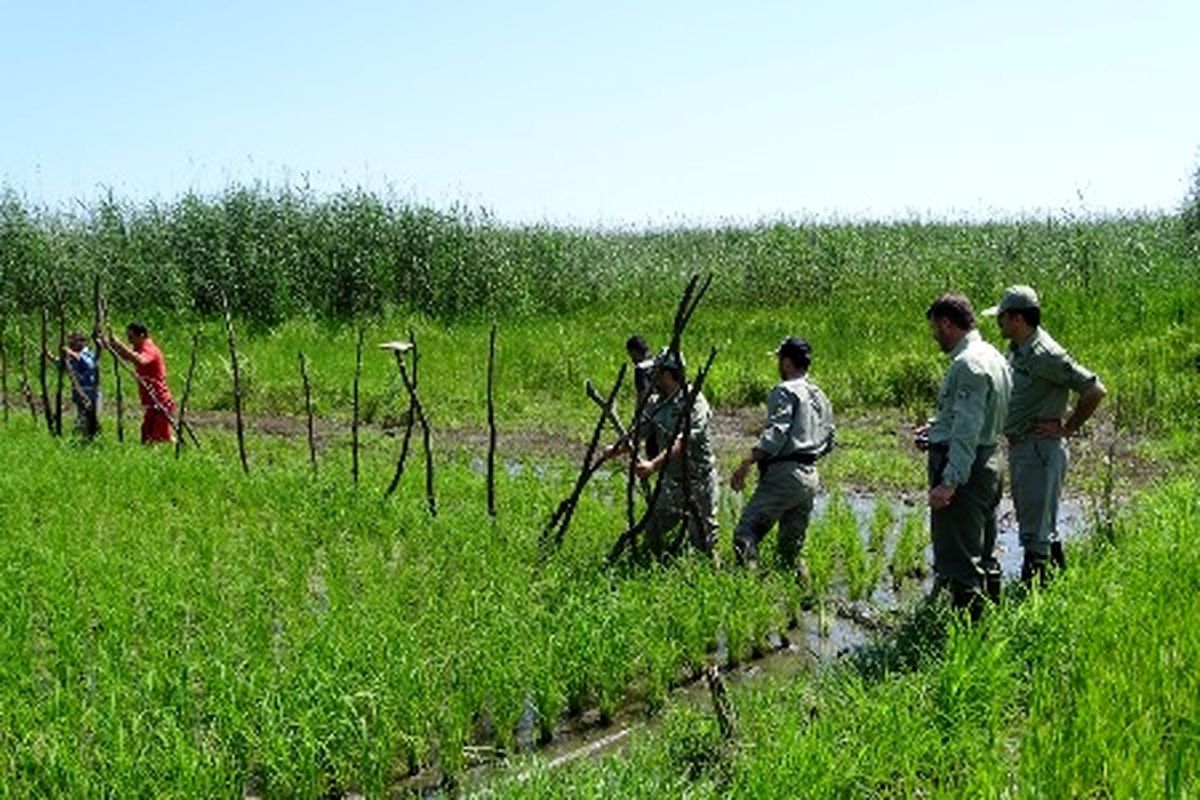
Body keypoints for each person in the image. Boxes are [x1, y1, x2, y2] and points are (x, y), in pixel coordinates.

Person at [983, 285, 1106, 584]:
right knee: (1038, 526)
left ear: (1017, 319)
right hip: (1024, 448)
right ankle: (1060, 586)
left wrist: (1068, 427)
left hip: (1040, 450)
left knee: (1035, 535)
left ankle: (1033, 598)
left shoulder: (1046, 354)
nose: (997, 324)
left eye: (1000, 318)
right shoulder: (1017, 349)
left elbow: (1094, 389)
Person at [917, 294, 1011, 617]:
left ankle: (967, 641)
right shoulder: (994, 356)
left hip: (967, 470)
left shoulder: (968, 364)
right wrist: (936, 429)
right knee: (984, 551)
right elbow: (973, 416)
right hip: (989, 460)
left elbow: (968, 429)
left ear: (946, 324)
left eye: (935, 328)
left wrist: (950, 482)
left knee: (960, 562)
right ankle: (992, 623)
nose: (934, 336)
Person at [729, 337, 834, 580]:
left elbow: (777, 431)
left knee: (745, 535)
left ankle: (752, 593)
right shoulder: (820, 396)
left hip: (784, 475)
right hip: (810, 476)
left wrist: (748, 461)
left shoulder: (785, 391)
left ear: (787, 362)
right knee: (791, 551)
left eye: (779, 359)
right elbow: (830, 438)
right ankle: (804, 600)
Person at [603, 348, 719, 558]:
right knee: (653, 529)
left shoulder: (694, 402)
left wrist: (652, 465)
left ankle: (712, 572)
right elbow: (639, 432)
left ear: (666, 373)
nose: (651, 377)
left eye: (655, 372)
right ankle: (651, 563)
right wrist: (616, 449)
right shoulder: (656, 403)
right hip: (670, 482)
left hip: (698, 481)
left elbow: (682, 442)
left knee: (704, 541)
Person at [103, 322, 176, 444]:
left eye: (131, 337)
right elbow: (128, 356)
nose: (130, 341)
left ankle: (176, 453)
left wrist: (119, 344)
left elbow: (140, 360)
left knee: (155, 439)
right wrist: (110, 346)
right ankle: (180, 449)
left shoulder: (149, 349)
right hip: (152, 401)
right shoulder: (140, 348)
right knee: (148, 436)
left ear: (141, 336)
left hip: (160, 400)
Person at [45, 330, 101, 438]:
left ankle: (91, 438)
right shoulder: (71, 357)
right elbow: (61, 365)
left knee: (90, 418)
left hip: (90, 392)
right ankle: (87, 438)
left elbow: (89, 365)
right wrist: (49, 356)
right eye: (69, 342)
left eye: (73, 341)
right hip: (78, 392)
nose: (70, 344)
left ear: (82, 342)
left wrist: (71, 353)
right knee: (83, 416)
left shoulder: (88, 354)